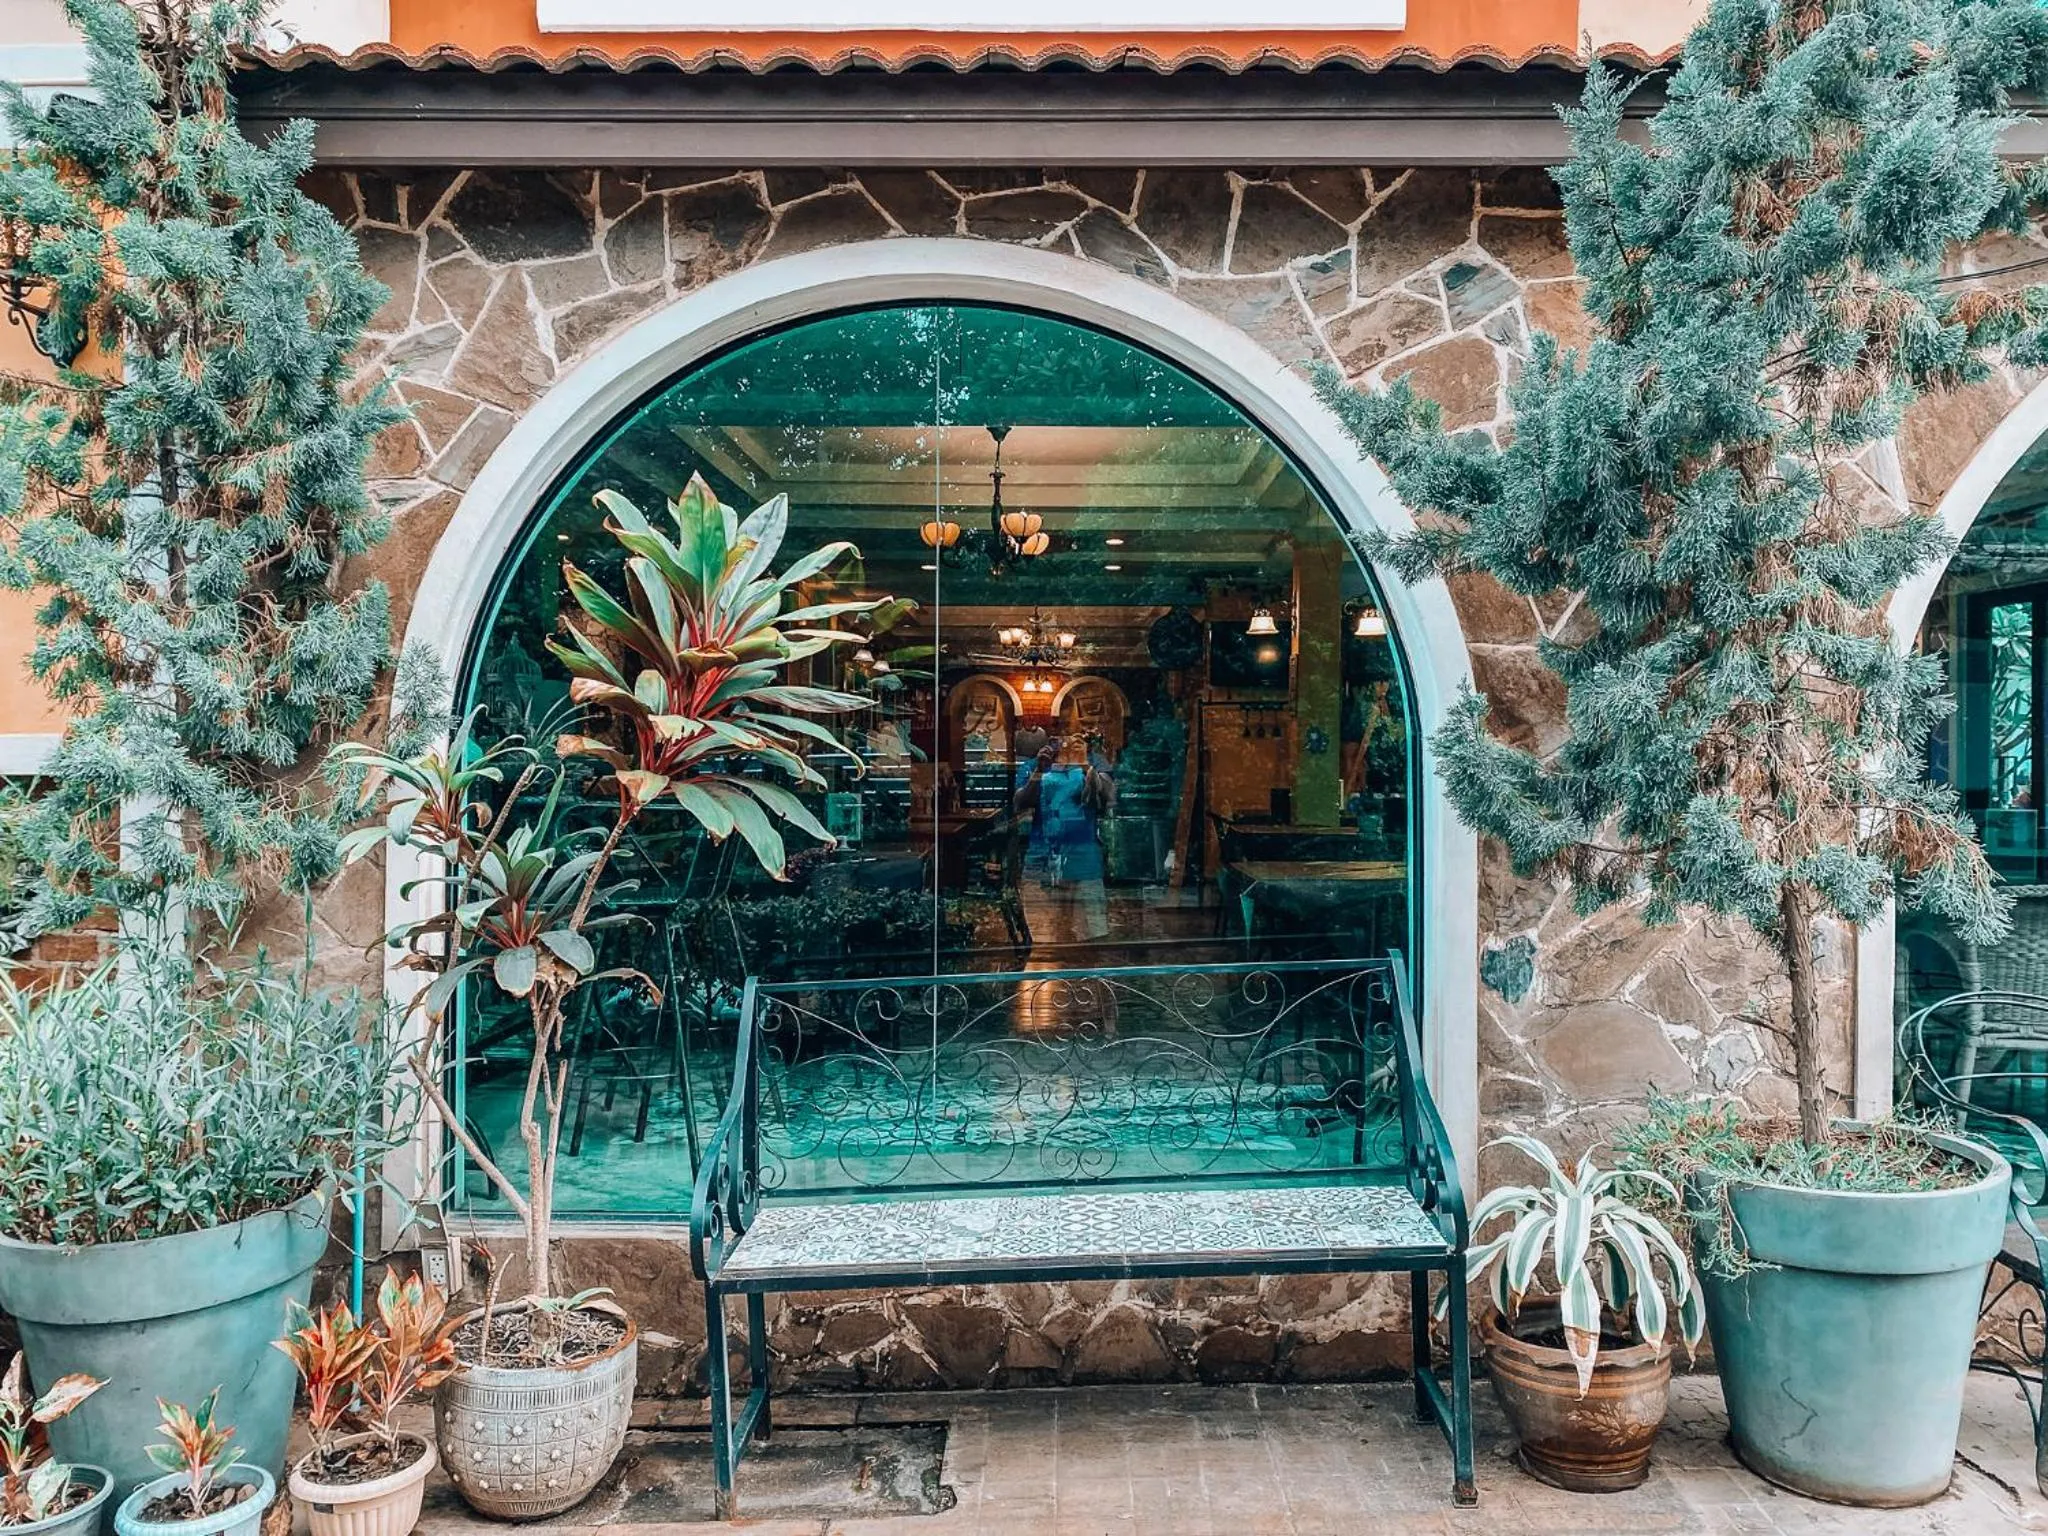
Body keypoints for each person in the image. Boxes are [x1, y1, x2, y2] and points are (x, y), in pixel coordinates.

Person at [1012, 725, 1114, 942]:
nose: (1065, 745)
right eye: (1060, 740)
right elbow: (1020, 803)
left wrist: (1086, 765)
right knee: (1046, 926)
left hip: (1084, 851)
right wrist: (1039, 771)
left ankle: (1091, 969)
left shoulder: (1093, 760)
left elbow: (1109, 798)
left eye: (1072, 739)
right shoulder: (1037, 763)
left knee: (1092, 925)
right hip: (1044, 852)